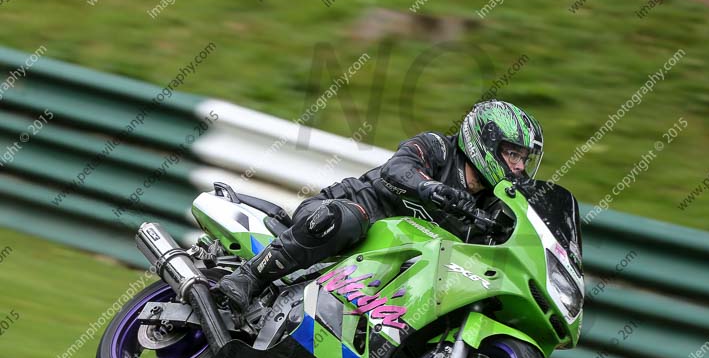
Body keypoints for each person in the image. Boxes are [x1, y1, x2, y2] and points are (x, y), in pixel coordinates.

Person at [218, 100, 544, 314]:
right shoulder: (437, 149)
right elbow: (395, 171)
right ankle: (248, 278)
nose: (518, 167)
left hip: (386, 271)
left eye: (523, 159)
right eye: (511, 154)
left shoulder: (491, 209)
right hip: (343, 211)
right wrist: (430, 187)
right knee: (348, 220)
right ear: (484, 143)